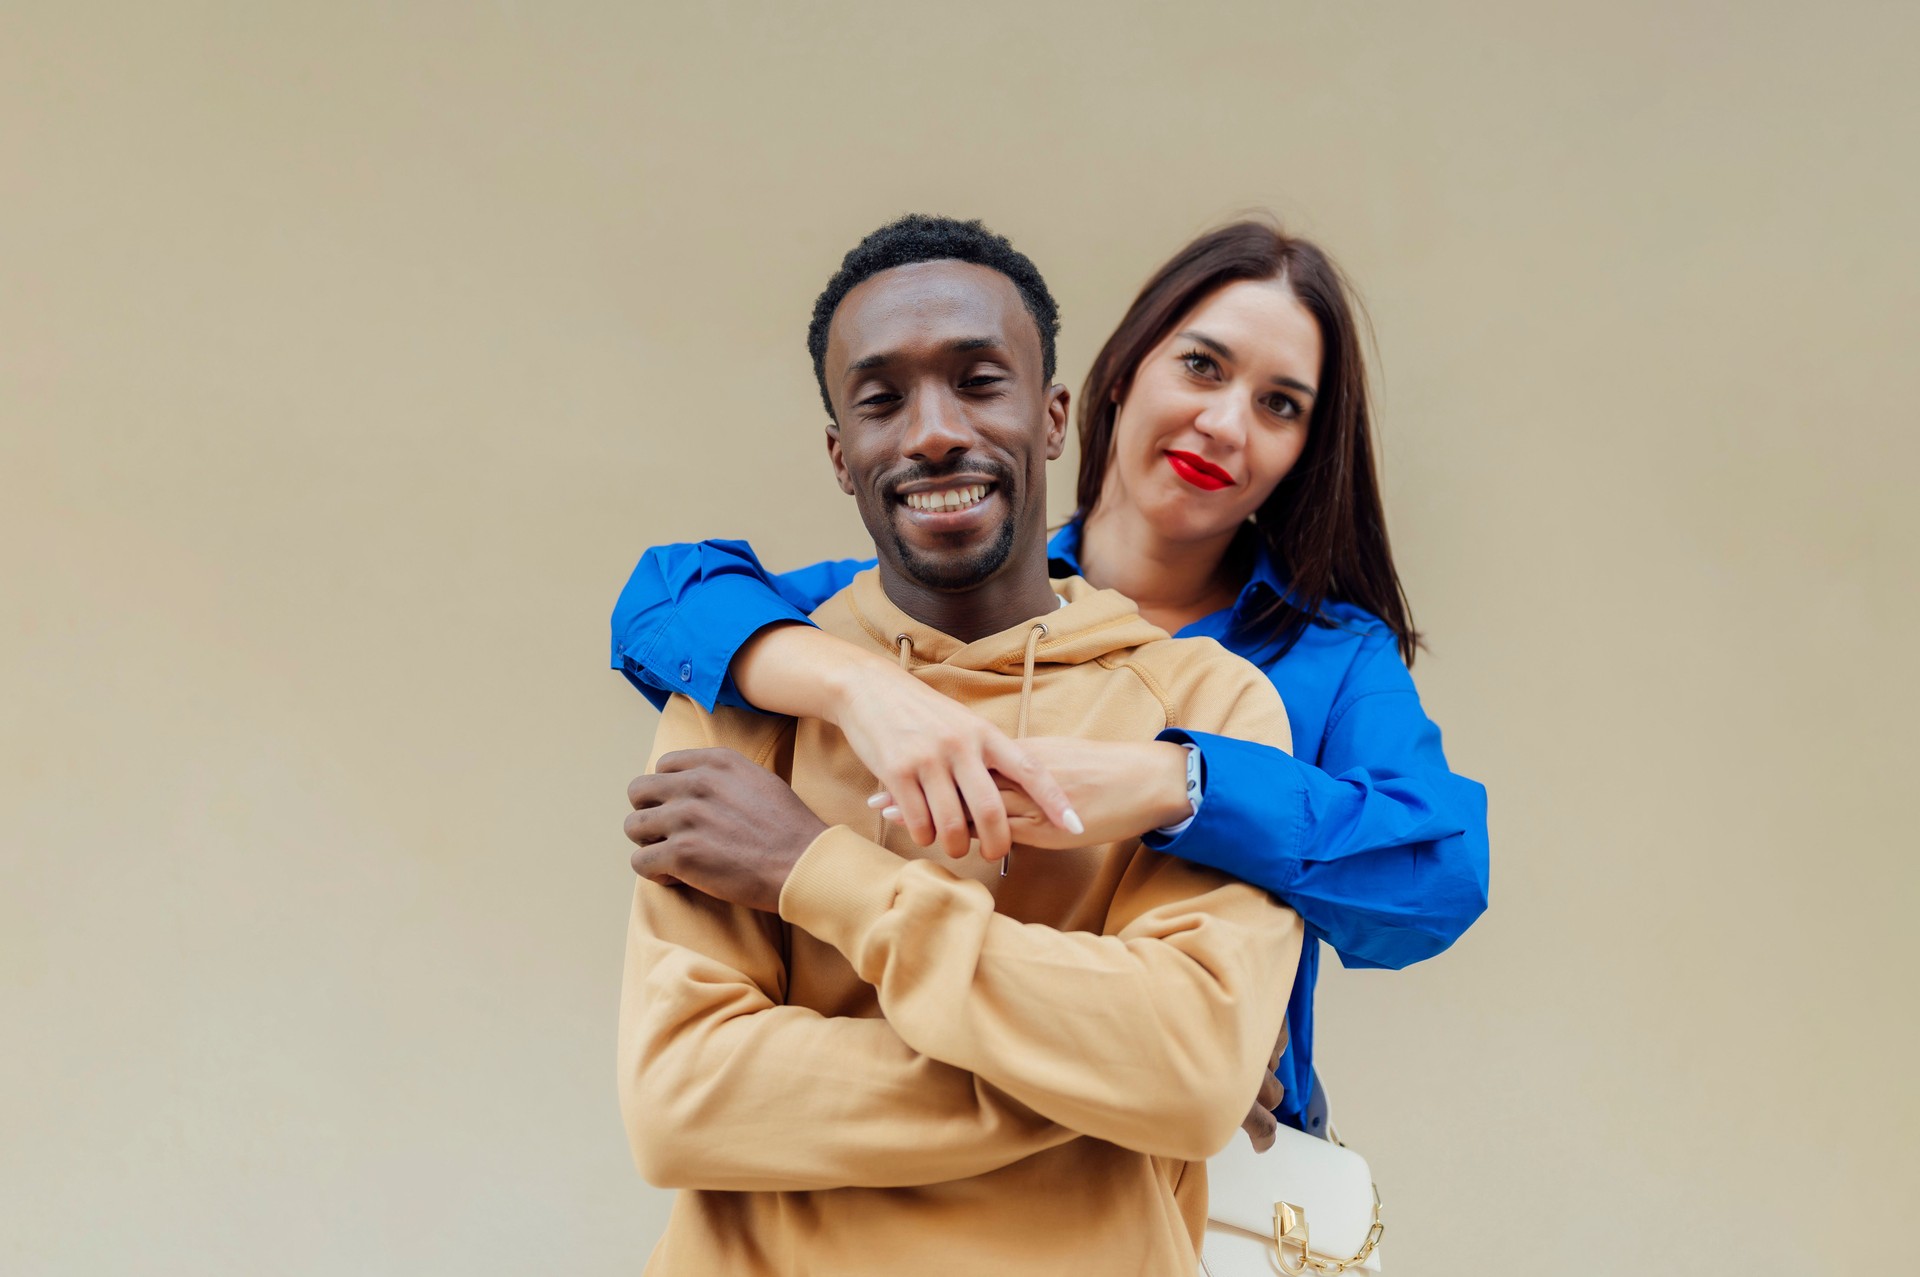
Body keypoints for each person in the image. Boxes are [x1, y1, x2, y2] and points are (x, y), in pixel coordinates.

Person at [611, 217, 1491, 1139]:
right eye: (1202, 366)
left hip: (1221, 1168)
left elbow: (1436, 877)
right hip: (874, 1148)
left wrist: (1181, 784)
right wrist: (858, 689)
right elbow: (664, 602)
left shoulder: (1326, 661)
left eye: (1281, 405)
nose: (1226, 422)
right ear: (1119, 377)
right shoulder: (921, 593)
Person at [618, 215, 1304, 1275]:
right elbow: (684, 1097)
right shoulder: (747, 696)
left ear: (1054, 418)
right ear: (843, 455)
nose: (932, 432)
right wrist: (1100, 1077)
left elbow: (1192, 1068)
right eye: (882, 398)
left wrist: (820, 871)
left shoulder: (1208, 707)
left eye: (980, 381)